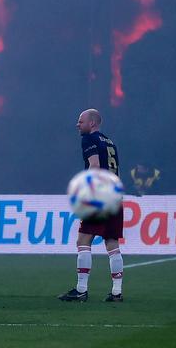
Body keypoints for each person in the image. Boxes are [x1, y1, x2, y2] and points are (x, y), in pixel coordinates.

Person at [59, 108, 124, 303]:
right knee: (111, 242)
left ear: (92, 123)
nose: (77, 124)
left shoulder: (89, 139)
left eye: (81, 121)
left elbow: (94, 165)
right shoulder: (109, 142)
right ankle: (116, 292)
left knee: (83, 240)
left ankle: (81, 290)